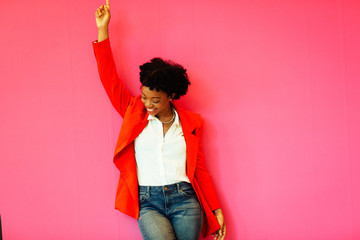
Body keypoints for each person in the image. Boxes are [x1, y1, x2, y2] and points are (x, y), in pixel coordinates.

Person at [93, 1, 226, 239]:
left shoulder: (191, 123)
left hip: (185, 200)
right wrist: (103, 29)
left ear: (171, 96)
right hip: (148, 202)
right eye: (145, 96)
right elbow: (109, 79)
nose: (148, 104)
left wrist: (215, 208)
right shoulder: (134, 111)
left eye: (155, 100)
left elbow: (201, 169)